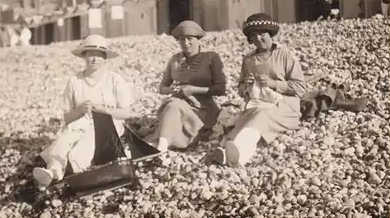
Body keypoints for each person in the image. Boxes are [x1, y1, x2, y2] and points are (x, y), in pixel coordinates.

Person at [32, 34, 136, 190]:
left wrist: (104, 111)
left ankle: (65, 175)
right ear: (84, 56)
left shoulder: (114, 79)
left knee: (82, 149)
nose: (94, 59)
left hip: (106, 126)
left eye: (99, 54)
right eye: (90, 54)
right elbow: (67, 118)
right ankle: (52, 172)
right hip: (80, 123)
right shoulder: (75, 81)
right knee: (62, 142)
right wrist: (80, 109)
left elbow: (127, 112)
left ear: (105, 57)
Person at [210, 13, 306, 168]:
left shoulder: (285, 55)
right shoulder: (249, 60)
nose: (258, 39)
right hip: (256, 104)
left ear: (271, 34)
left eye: (262, 34)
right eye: (253, 35)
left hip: (285, 106)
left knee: (260, 118)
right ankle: (236, 156)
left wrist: (273, 83)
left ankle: (237, 154)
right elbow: (241, 90)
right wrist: (246, 87)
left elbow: (300, 88)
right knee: (245, 125)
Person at [145, 20, 227, 152]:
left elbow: (221, 89)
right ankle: (162, 144)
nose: (186, 43)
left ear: (198, 39)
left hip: (203, 109)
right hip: (179, 103)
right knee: (173, 105)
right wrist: (171, 90)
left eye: (190, 39)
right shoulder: (175, 60)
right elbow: (162, 87)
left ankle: (161, 144)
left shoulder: (211, 57)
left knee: (174, 108)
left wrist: (193, 89)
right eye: (181, 39)